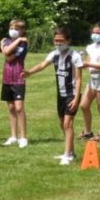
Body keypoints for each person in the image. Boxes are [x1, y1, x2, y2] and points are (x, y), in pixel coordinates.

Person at [23, 27, 83, 166]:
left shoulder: (75, 56)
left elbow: (79, 79)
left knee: (68, 124)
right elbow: (43, 65)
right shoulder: (54, 54)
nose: (58, 43)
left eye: (61, 41)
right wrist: (29, 72)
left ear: (68, 41)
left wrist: (76, 98)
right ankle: (71, 152)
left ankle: (67, 155)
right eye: (56, 41)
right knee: (62, 123)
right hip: (60, 94)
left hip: (71, 94)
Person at [80, 22, 100, 142]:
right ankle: (88, 132)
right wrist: (81, 63)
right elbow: (88, 62)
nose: (95, 35)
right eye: (94, 32)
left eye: (98, 33)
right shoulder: (90, 47)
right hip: (92, 78)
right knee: (84, 105)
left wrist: (88, 64)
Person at [0, 20, 30, 148]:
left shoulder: (23, 43)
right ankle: (13, 136)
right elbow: (6, 51)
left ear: (22, 31)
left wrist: (11, 44)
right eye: (11, 27)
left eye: (16, 28)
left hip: (18, 78)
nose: (13, 30)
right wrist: (4, 47)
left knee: (19, 108)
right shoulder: (7, 40)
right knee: (11, 108)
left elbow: (8, 56)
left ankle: (23, 137)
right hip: (7, 78)